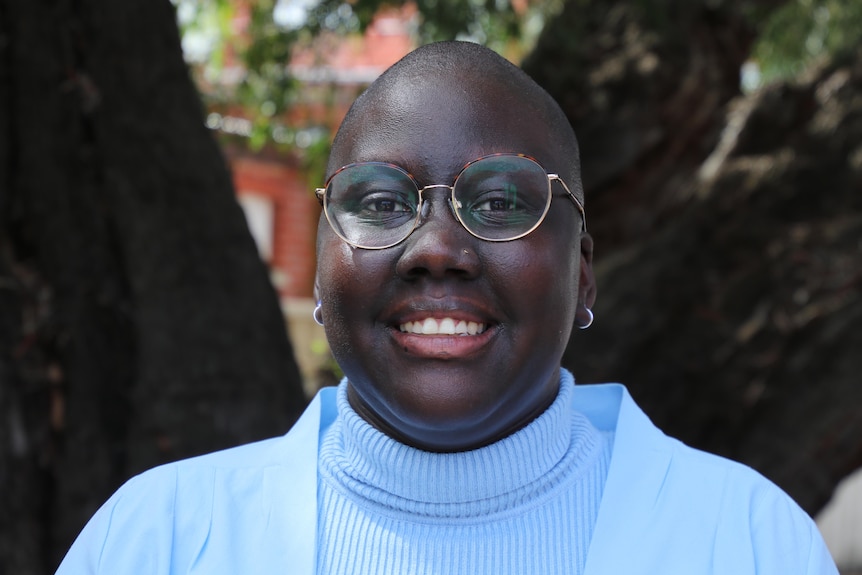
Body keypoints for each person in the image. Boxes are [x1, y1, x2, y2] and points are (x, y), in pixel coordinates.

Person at [56, 41, 837, 574]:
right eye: (379, 200)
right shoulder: (158, 541)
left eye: (500, 202)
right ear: (323, 274)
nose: (436, 247)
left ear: (585, 272)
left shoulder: (745, 541)